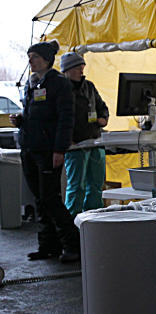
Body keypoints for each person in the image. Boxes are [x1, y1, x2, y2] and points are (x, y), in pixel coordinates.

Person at [12, 40, 82, 262]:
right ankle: (48, 245)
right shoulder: (32, 83)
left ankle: (73, 245)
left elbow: (65, 119)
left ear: (46, 60)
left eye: (34, 57)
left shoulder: (58, 84)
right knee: (40, 200)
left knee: (51, 198)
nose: (30, 61)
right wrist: (21, 120)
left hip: (48, 150)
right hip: (30, 147)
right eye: (29, 56)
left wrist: (59, 149)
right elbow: (37, 115)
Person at [60, 52, 109, 216]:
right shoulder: (61, 89)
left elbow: (102, 106)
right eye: (77, 68)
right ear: (67, 70)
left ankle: (94, 218)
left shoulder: (89, 86)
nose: (81, 71)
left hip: (95, 141)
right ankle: (72, 221)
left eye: (82, 68)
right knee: (77, 186)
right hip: (75, 145)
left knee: (96, 184)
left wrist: (103, 118)